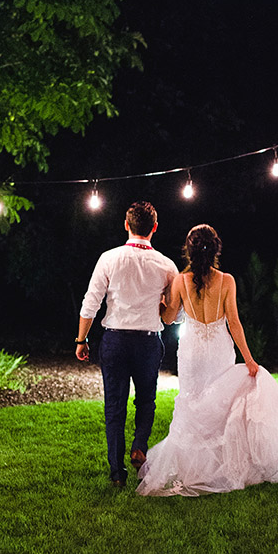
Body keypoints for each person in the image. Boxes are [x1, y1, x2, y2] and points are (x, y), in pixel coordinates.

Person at [137, 224, 278, 497]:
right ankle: (220, 468)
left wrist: (161, 301)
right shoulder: (227, 281)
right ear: (216, 250)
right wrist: (249, 360)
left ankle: (193, 470)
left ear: (188, 251)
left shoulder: (180, 282)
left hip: (192, 351)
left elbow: (166, 318)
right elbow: (234, 323)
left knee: (192, 403)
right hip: (219, 349)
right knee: (222, 407)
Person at [76, 202, 178, 488]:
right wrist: (160, 307)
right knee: (146, 400)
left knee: (114, 407)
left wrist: (81, 339)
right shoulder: (167, 265)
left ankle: (117, 473)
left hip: (115, 341)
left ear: (126, 224)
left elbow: (91, 303)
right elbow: (175, 315)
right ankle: (139, 445)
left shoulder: (109, 258)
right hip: (147, 342)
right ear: (155, 228)